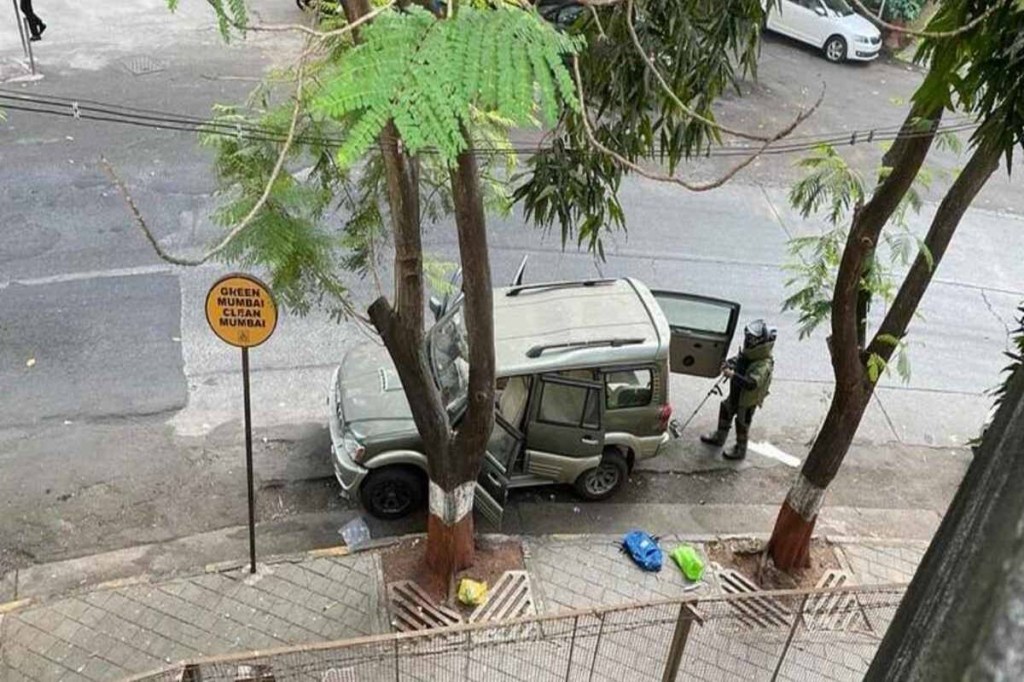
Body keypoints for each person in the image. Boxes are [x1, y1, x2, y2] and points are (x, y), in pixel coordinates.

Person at [700, 319, 776, 460]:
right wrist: (729, 363)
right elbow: (739, 360)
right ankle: (719, 437)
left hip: (747, 401)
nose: (749, 341)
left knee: (742, 424)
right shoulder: (750, 355)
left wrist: (732, 375)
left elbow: (751, 383)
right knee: (726, 409)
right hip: (736, 393)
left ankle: (740, 448)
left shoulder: (763, 364)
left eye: (752, 339)